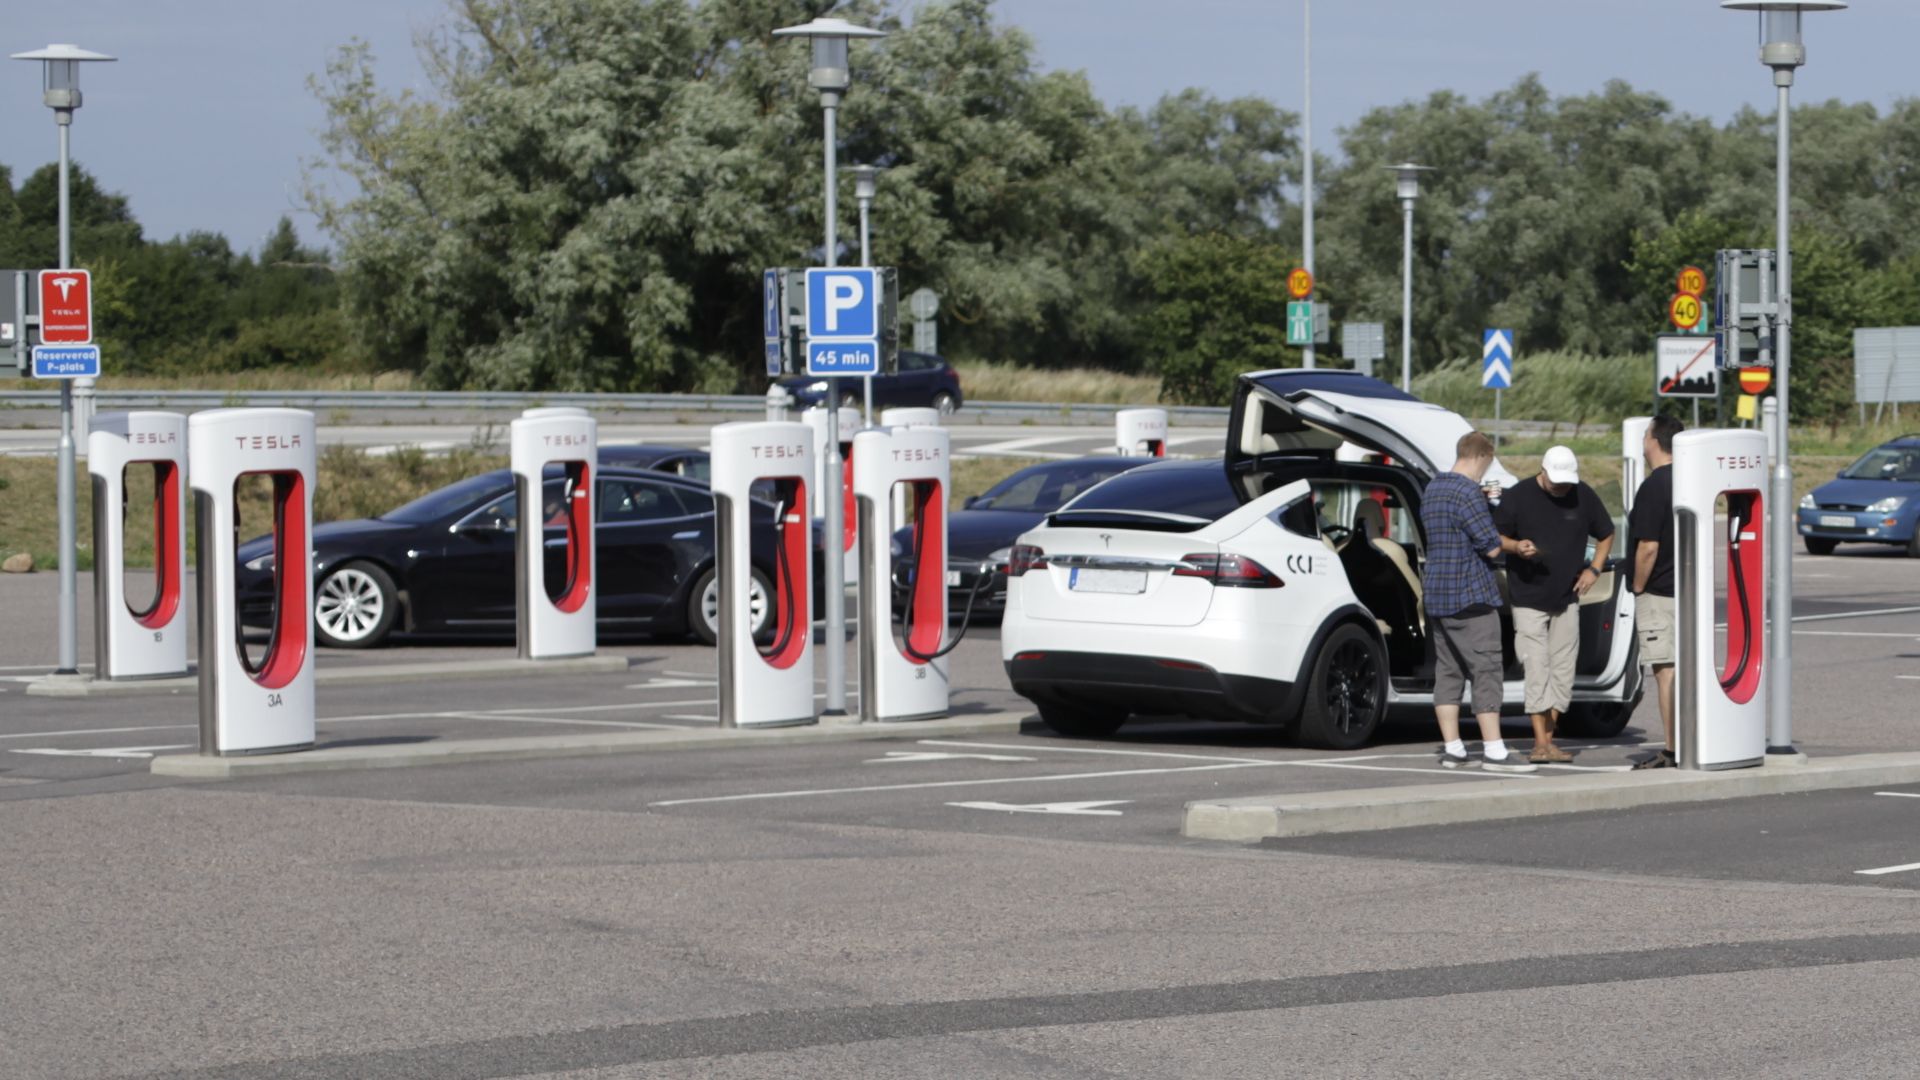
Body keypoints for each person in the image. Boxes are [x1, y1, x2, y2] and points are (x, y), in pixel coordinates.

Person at [1420, 431, 1537, 772]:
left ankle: (1454, 748)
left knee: (1449, 672)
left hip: (1438, 594)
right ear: (1482, 457)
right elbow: (1490, 546)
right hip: (1470, 594)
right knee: (1486, 669)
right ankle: (1495, 750)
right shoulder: (1469, 492)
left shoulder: (1433, 488)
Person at [1494, 445, 1615, 764]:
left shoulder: (1582, 494)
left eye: (1566, 481)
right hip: (1528, 597)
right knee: (1536, 667)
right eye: (1556, 481)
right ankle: (1539, 742)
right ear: (1542, 470)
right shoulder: (1518, 495)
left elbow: (1606, 533)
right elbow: (1496, 538)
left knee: (1563, 670)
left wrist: (1594, 569)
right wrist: (1517, 547)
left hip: (1566, 597)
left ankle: (1548, 740)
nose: (1562, 487)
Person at [1628, 415, 1685, 769]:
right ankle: (1693, 739)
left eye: (1645, 434)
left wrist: (1637, 584)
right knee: (1686, 670)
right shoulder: (1691, 479)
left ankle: (1672, 747)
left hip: (1660, 591)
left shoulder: (1654, 486)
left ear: (1653, 440)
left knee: (1666, 672)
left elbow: (1647, 545)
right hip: (1687, 588)